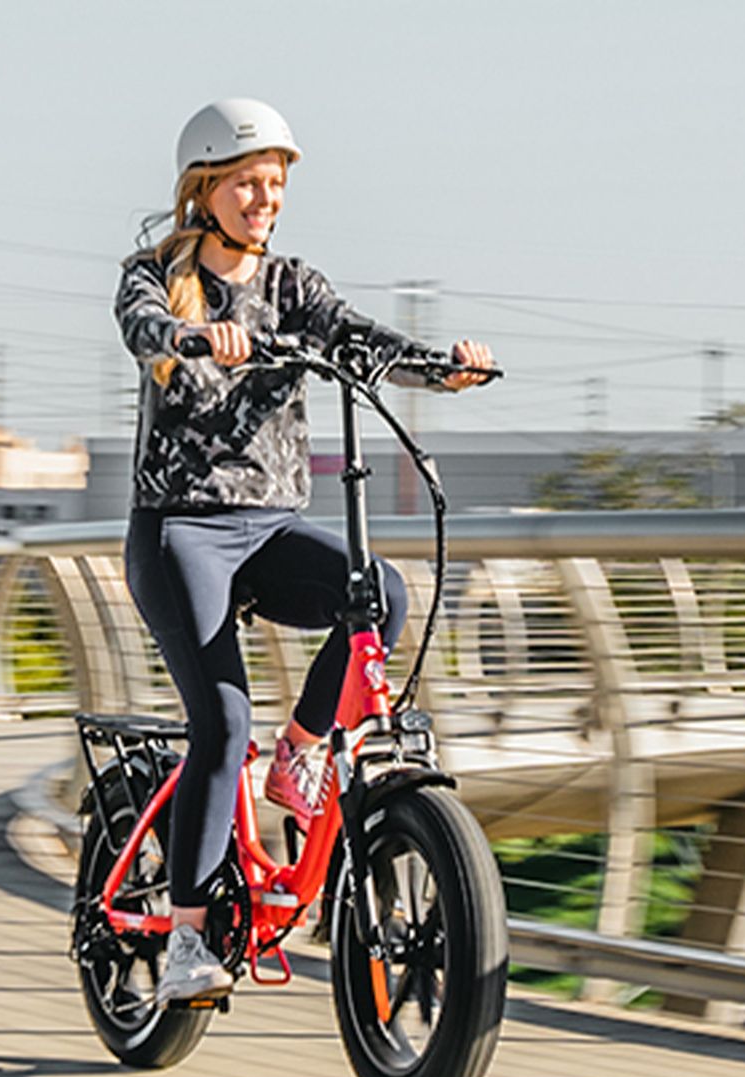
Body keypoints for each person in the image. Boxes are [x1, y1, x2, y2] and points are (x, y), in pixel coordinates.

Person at [114, 98, 496, 1006]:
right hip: (181, 531)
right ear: (204, 188)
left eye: (276, 184)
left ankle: (305, 749)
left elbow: (360, 339)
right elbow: (143, 329)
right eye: (248, 182)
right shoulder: (155, 275)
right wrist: (194, 335)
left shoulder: (294, 286)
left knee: (383, 597)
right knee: (221, 726)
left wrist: (440, 366)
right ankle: (189, 941)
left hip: (271, 530)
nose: (265, 198)